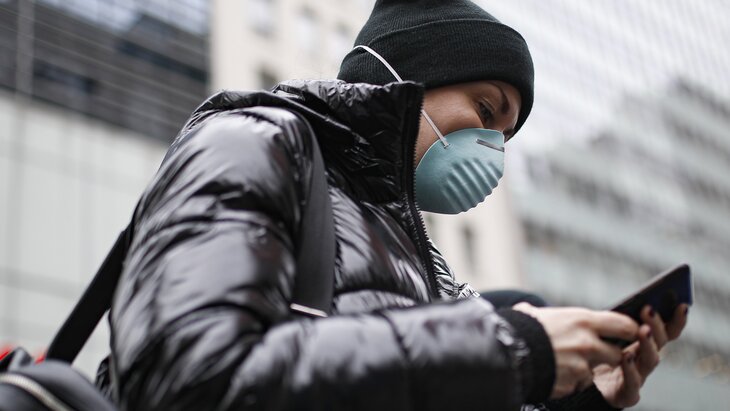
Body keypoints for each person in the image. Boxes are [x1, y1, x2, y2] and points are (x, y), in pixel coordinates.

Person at [98, 1, 688, 410]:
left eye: (504, 137)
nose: (492, 149)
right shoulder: (253, 143)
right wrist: (513, 349)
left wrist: (584, 401)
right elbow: (185, 382)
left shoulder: (418, 256)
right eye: (486, 111)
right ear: (411, 76)